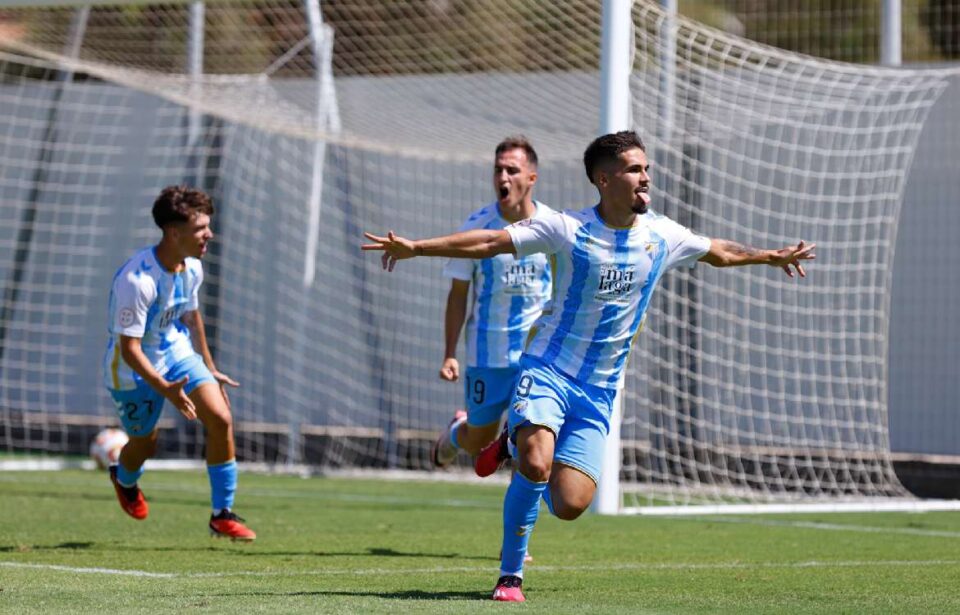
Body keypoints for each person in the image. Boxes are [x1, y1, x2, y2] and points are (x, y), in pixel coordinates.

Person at [362, 131, 815, 602]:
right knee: (537, 465)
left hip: (599, 390)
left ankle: (512, 445)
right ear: (604, 179)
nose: (646, 178)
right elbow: (491, 242)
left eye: (646, 169)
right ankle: (510, 575)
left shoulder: (661, 235)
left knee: (572, 503)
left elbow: (719, 251)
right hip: (548, 370)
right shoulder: (567, 228)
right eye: (635, 169)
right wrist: (419, 247)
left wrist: (769, 256)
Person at [101, 185, 256, 541]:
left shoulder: (193, 270)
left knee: (220, 418)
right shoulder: (135, 281)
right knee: (145, 444)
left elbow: (191, 317)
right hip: (131, 371)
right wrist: (165, 389)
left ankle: (222, 514)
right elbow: (129, 350)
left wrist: (208, 365)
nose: (209, 234)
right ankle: (123, 479)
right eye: (201, 228)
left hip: (177, 354)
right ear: (174, 232)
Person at [430, 136, 553, 475]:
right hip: (489, 356)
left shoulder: (552, 228)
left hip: (537, 357)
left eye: (512, 170)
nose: (503, 177)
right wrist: (450, 352)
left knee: (535, 443)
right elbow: (458, 294)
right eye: (498, 169)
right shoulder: (476, 227)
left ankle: (523, 517)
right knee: (477, 441)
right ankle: (457, 432)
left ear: (531, 178)